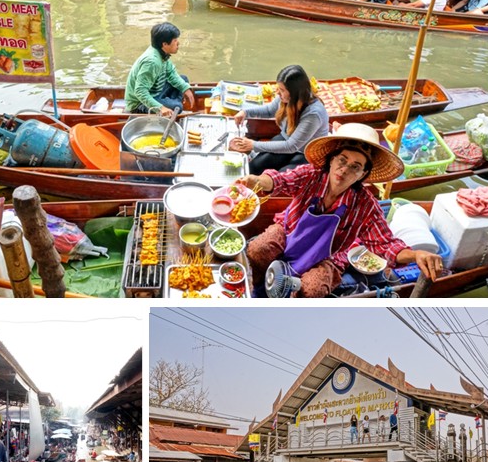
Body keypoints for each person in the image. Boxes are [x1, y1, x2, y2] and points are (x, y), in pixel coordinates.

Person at [240, 123, 444, 298]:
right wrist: (256, 181)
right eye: (342, 160)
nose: (345, 170)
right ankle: (254, 286)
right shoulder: (311, 175)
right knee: (259, 249)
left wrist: (416, 254)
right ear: (332, 160)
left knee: (313, 289)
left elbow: (386, 244)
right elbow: (280, 181)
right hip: (288, 232)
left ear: (363, 174)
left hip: (328, 257)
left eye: (355, 167)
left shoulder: (365, 204)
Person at [230, 65, 329, 174]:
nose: (278, 92)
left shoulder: (313, 114)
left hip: (306, 153)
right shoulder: (285, 99)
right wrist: (246, 112)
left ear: (294, 92)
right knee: (254, 167)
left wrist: (253, 145)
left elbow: (291, 146)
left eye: (282, 90)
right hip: (286, 140)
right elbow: (268, 111)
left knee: (280, 177)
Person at [124, 22, 195, 118]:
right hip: (139, 103)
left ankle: (170, 102)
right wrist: (160, 107)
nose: (178, 43)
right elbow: (140, 91)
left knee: (183, 80)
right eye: (175, 40)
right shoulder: (152, 62)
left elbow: (171, 73)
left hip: (156, 91)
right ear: (165, 44)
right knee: (177, 107)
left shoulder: (161, 53)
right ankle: (173, 104)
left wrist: (185, 88)